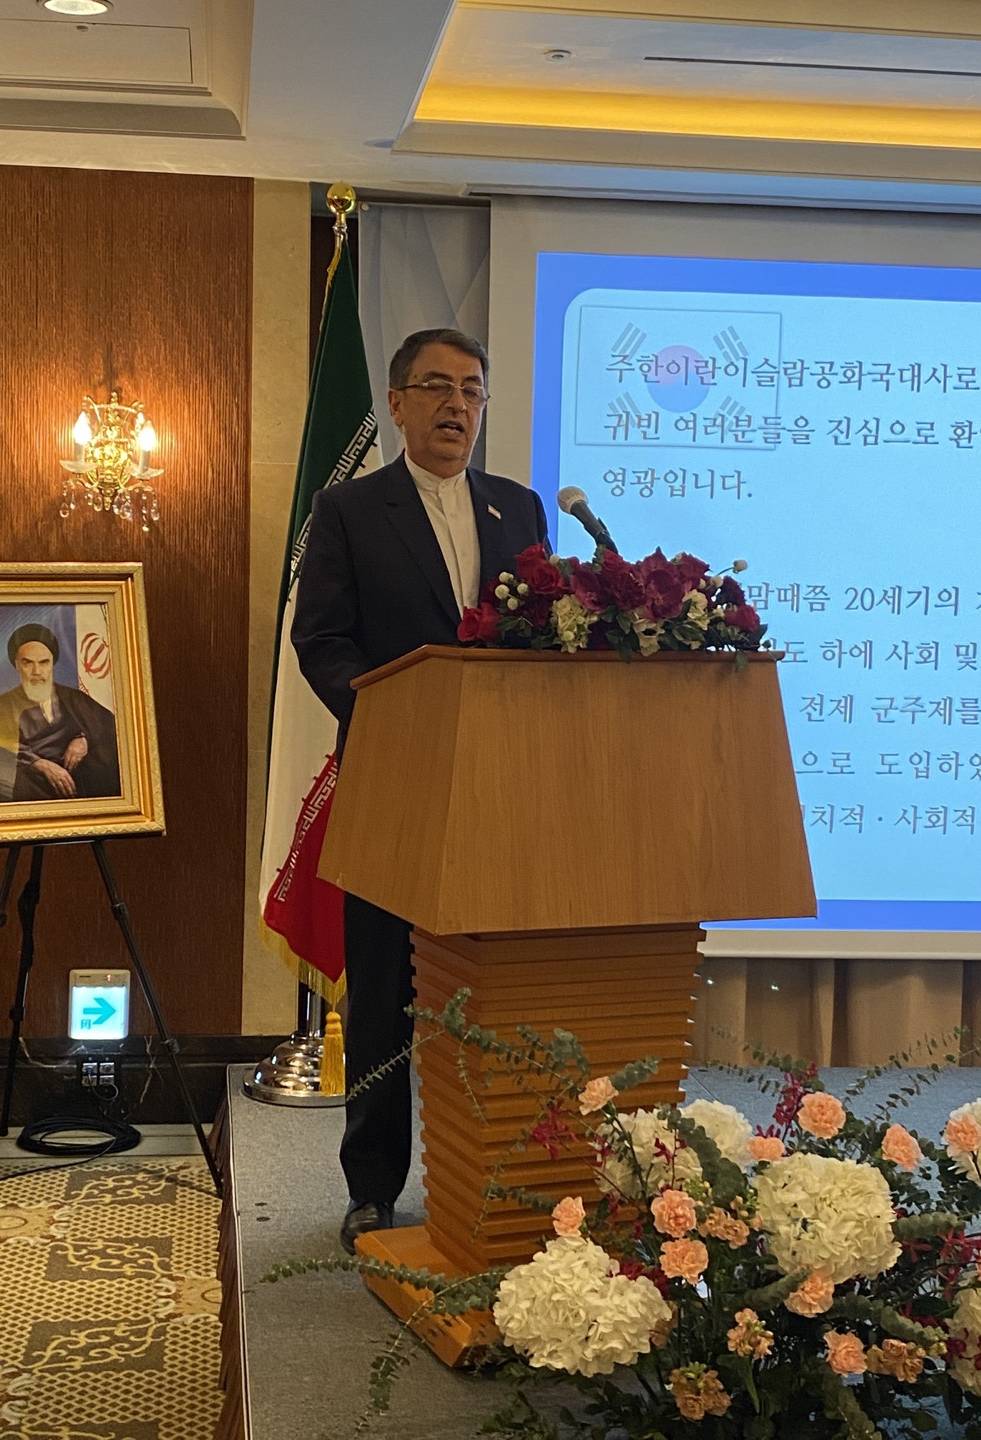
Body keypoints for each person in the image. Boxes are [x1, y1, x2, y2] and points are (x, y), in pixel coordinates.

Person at [292, 328, 549, 1254]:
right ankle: (372, 1184)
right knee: (385, 992)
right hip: (395, 782)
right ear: (397, 403)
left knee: (490, 986)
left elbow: (538, 635)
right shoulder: (351, 511)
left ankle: (494, 1172)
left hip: (498, 785)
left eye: (473, 390)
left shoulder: (517, 510)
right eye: (437, 386)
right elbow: (321, 639)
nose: (457, 405)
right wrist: (385, 716)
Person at [0, 622, 121, 804]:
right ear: (16, 665)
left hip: (78, 782)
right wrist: (40, 764)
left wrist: (85, 739)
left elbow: (111, 728)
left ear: (52, 664)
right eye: (27, 663)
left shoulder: (74, 698)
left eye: (43, 662)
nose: (37, 672)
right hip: (33, 785)